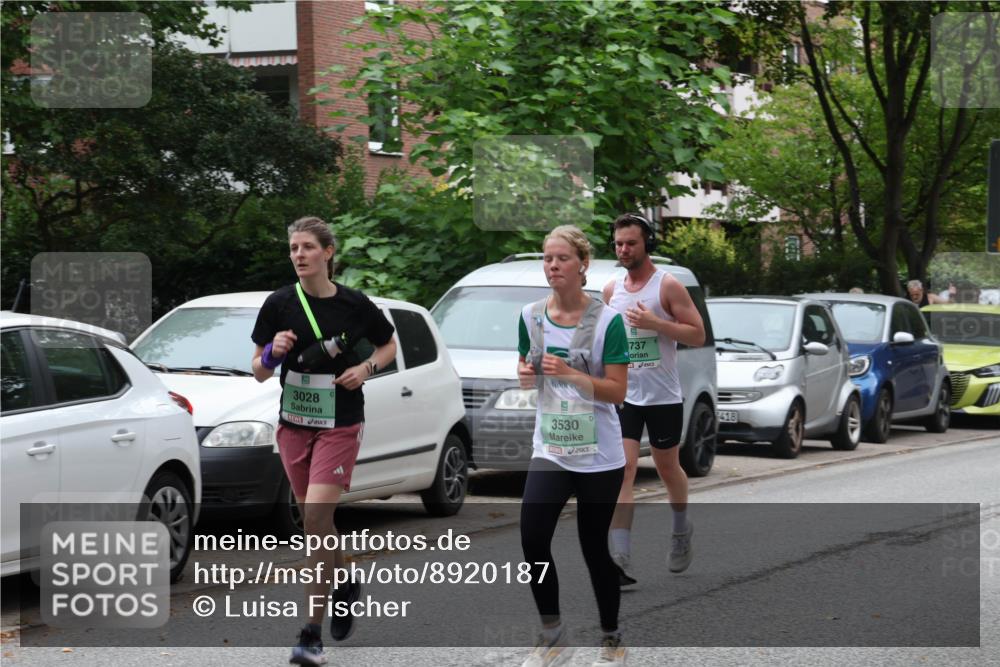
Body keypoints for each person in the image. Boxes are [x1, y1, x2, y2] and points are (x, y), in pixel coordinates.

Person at [251, 216, 397, 666]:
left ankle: (310, 634)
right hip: (294, 422)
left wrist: (366, 369)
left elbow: (388, 345)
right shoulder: (278, 304)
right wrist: (273, 352)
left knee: (315, 517)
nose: (298, 255)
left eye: (308, 247)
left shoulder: (354, 305)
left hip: (340, 421)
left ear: (328, 253)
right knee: (316, 525)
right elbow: (257, 369)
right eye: (293, 247)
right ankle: (346, 575)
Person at [517, 225, 630, 667]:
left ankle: (611, 636)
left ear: (582, 264)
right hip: (551, 447)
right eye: (547, 259)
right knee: (532, 539)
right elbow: (525, 366)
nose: (553, 266)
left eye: (562, 258)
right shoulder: (530, 316)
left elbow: (617, 392)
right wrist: (526, 376)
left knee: (593, 547)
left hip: (599, 454)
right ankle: (553, 636)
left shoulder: (608, 321)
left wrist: (568, 374)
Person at [603, 213, 706, 585]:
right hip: (625, 396)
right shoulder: (612, 290)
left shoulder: (668, 286)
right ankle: (620, 558)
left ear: (647, 242)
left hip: (662, 396)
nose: (624, 249)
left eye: (630, 242)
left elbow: (697, 334)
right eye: (618, 244)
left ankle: (681, 529)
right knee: (624, 470)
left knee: (667, 469)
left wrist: (657, 324)